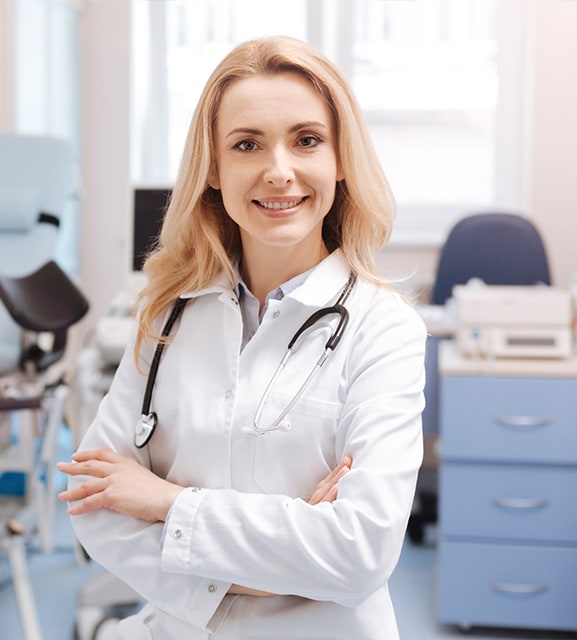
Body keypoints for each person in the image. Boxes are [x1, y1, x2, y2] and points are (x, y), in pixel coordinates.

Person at [58, 35, 426, 639]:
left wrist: (164, 503)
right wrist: (282, 567)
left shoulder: (383, 328)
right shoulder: (167, 314)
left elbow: (360, 555)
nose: (278, 172)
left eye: (307, 140)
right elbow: (93, 503)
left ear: (340, 159)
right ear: (213, 169)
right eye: (247, 144)